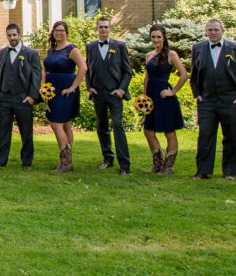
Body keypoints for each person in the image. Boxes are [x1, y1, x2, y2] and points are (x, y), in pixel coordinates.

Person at [190, 19, 236, 181]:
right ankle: (203, 171)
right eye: (210, 29)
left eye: (216, 30)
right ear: (206, 31)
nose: (213, 32)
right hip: (207, 102)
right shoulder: (198, 48)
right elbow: (194, 75)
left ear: (222, 31)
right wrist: (197, 94)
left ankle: (229, 171)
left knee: (232, 137)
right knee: (205, 136)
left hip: (231, 101)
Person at [84, 17, 133, 176]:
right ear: (97, 29)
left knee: (117, 126)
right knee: (102, 126)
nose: (103, 30)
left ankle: (124, 164)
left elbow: (127, 71)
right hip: (99, 93)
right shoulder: (90, 47)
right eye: (101, 27)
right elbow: (87, 70)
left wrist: (121, 90)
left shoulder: (119, 46)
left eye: (106, 27)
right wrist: (89, 87)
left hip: (115, 94)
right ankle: (107, 158)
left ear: (110, 29)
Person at [0, 23, 41, 169]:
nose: (12, 38)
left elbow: (37, 76)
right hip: (5, 97)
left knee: (26, 131)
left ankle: (27, 162)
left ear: (20, 35)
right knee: (3, 131)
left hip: (23, 97)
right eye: (9, 35)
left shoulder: (31, 53)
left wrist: (32, 96)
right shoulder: (3, 52)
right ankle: (0, 161)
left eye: (14, 35)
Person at [142, 24, 188, 176]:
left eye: (158, 37)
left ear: (164, 38)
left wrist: (172, 91)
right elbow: (147, 78)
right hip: (151, 96)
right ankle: (157, 163)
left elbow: (184, 74)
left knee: (169, 130)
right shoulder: (149, 55)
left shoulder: (171, 54)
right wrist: (144, 99)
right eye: (153, 37)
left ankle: (169, 166)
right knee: (148, 130)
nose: (156, 40)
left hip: (164, 96)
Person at [45, 20, 88, 173]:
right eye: (56, 30)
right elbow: (45, 70)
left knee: (56, 124)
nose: (59, 33)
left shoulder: (72, 49)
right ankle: (67, 160)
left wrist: (73, 87)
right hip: (52, 90)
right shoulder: (51, 49)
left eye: (62, 30)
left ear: (66, 32)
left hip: (66, 90)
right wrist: (44, 89)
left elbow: (83, 68)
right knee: (65, 124)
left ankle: (65, 160)